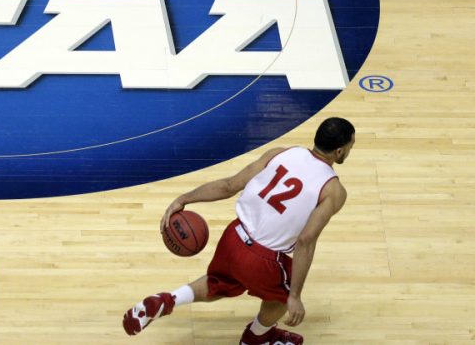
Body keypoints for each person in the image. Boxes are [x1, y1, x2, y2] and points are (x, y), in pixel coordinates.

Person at [122, 117, 355, 345]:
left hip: (234, 235)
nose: (351, 149)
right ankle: (256, 338)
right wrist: (294, 296)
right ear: (339, 151)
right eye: (351, 145)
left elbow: (229, 186)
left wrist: (184, 199)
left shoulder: (280, 152)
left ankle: (168, 299)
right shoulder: (334, 191)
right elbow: (306, 240)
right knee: (282, 296)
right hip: (264, 258)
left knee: (219, 284)